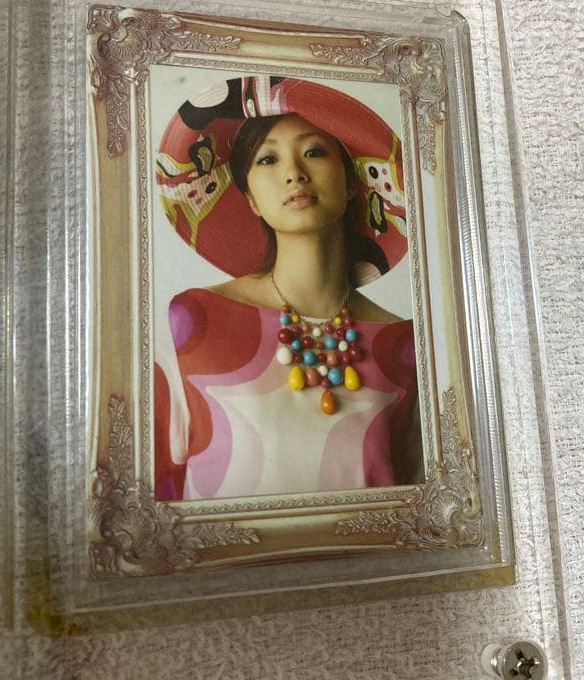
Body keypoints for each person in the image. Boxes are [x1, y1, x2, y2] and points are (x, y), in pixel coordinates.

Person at [153, 74, 421, 501]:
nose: (294, 173)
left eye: (314, 152)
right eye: (267, 159)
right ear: (251, 200)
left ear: (353, 184)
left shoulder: (407, 346)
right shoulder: (193, 320)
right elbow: (153, 493)